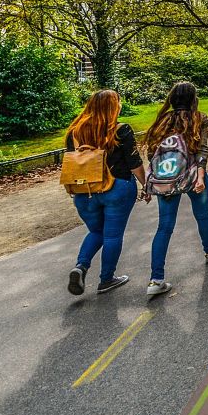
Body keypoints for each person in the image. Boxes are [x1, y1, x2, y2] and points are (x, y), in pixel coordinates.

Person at [142, 82, 208, 297]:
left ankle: (156, 278)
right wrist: (201, 175)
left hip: (167, 177)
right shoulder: (200, 118)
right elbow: (202, 150)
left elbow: (152, 153)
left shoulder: (163, 120)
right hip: (193, 173)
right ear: (193, 98)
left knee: (164, 226)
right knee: (202, 213)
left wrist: (155, 179)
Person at [65, 90, 148, 296]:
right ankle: (106, 279)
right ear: (113, 106)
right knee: (112, 234)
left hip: (84, 190)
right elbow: (134, 163)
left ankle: (81, 266)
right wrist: (145, 184)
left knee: (96, 231)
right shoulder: (119, 130)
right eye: (118, 102)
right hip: (117, 188)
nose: (120, 105)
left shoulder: (74, 133)